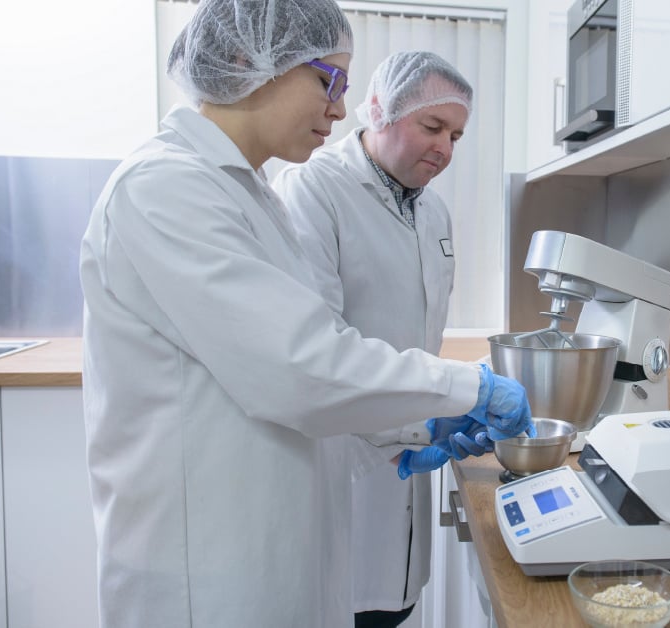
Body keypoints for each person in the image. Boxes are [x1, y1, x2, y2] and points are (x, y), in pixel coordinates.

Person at [78, 2, 532, 627]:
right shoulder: (165, 189)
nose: (341, 109)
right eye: (328, 81)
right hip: (207, 578)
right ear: (245, 60)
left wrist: (419, 425)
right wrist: (467, 386)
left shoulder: (251, 196)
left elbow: (300, 366)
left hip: (275, 553)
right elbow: (303, 366)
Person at [273, 51, 483, 627]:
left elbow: (416, 338)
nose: (444, 148)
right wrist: (431, 411)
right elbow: (319, 353)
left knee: (394, 606)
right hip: (342, 466)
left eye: (456, 135)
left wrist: (433, 411)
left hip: (405, 473)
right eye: (432, 127)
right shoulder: (313, 192)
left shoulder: (434, 213)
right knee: (344, 604)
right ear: (379, 111)